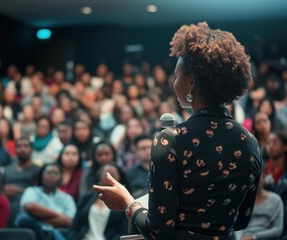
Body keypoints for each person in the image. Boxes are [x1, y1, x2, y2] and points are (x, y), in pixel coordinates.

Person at [94, 22, 263, 240]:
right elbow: (242, 220)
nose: (174, 83)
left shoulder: (171, 141)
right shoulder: (250, 142)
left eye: (176, 76)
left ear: (191, 81)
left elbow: (158, 232)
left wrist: (127, 203)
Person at [15, 162, 76, 240]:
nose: (51, 176)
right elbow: (30, 207)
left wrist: (37, 216)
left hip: (58, 233)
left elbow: (70, 222)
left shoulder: (67, 198)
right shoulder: (32, 191)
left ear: (60, 177)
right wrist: (59, 215)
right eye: (48, 172)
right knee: (26, 221)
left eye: (55, 173)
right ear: (41, 175)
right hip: (33, 233)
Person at [68, 163, 129, 240]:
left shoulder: (124, 200)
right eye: (106, 174)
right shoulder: (86, 198)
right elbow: (74, 228)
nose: (109, 178)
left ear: (119, 178)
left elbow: (124, 232)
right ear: (99, 179)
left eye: (113, 174)